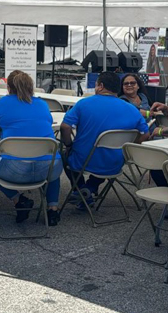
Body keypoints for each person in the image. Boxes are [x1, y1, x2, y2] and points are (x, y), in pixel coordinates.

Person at [60, 71, 149, 209]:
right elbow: (145, 134)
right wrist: (129, 149)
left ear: (100, 86)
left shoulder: (84, 104)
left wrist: (69, 144)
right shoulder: (132, 109)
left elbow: (65, 127)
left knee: (65, 154)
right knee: (105, 157)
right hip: (115, 162)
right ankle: (89, 188)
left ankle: (80, 190)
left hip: (84, 160)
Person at [0, 70, 63, 226]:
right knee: (52, 159)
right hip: (47, 169)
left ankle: (18, 199)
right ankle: (53, 208)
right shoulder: (41, 104)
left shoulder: (4, 103)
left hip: (15, 169)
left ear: (8, 87)